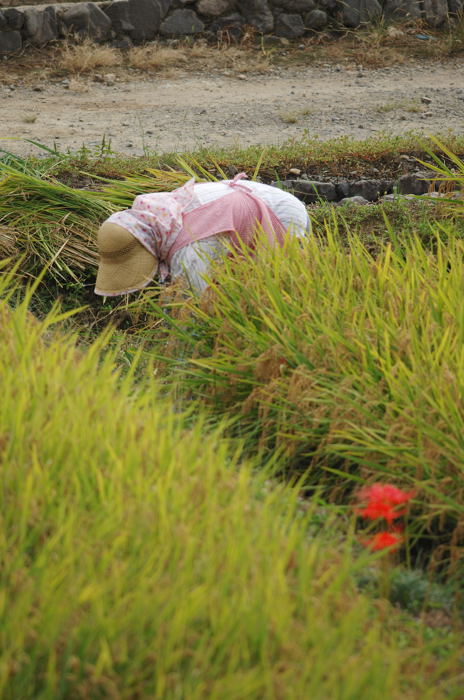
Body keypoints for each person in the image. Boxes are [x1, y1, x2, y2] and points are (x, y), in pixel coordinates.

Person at [94, 173, 311, 296]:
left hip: (280, 213)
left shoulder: (189, 250)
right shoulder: (161, 213)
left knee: (280, 285)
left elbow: (201, 303)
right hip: (256, 194)